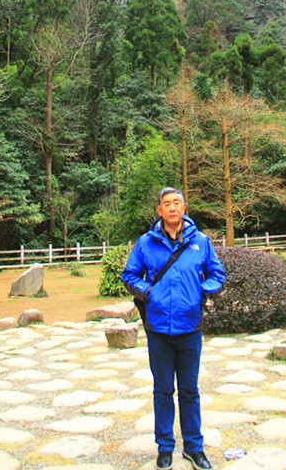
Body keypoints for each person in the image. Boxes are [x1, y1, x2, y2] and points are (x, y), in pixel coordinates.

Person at [122, 186, 225, 470]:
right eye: (166, 203)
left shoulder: (200, 241)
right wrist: (148, 293)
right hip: (158, 331)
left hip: (190, 328)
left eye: (176, 202)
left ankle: (194, 447)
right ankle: (165, 446)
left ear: (183, 207)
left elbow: (217, 274)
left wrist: (202, 292)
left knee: (190, 391)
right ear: (159, 210)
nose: (172, 208)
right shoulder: (146, 242)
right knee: (163, 391)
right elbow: (129, 275)